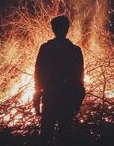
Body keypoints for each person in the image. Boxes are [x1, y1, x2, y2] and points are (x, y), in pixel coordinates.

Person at [33, 15, 85, 146]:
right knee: (65, 136)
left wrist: (36, 98)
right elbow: (80, 79)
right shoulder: (75, 51)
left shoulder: (45, 49)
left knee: (46, 135)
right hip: (67, 98)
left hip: (50, 97)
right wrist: (78, 102)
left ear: (53, 29)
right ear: (67, 29)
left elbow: (38, 74)